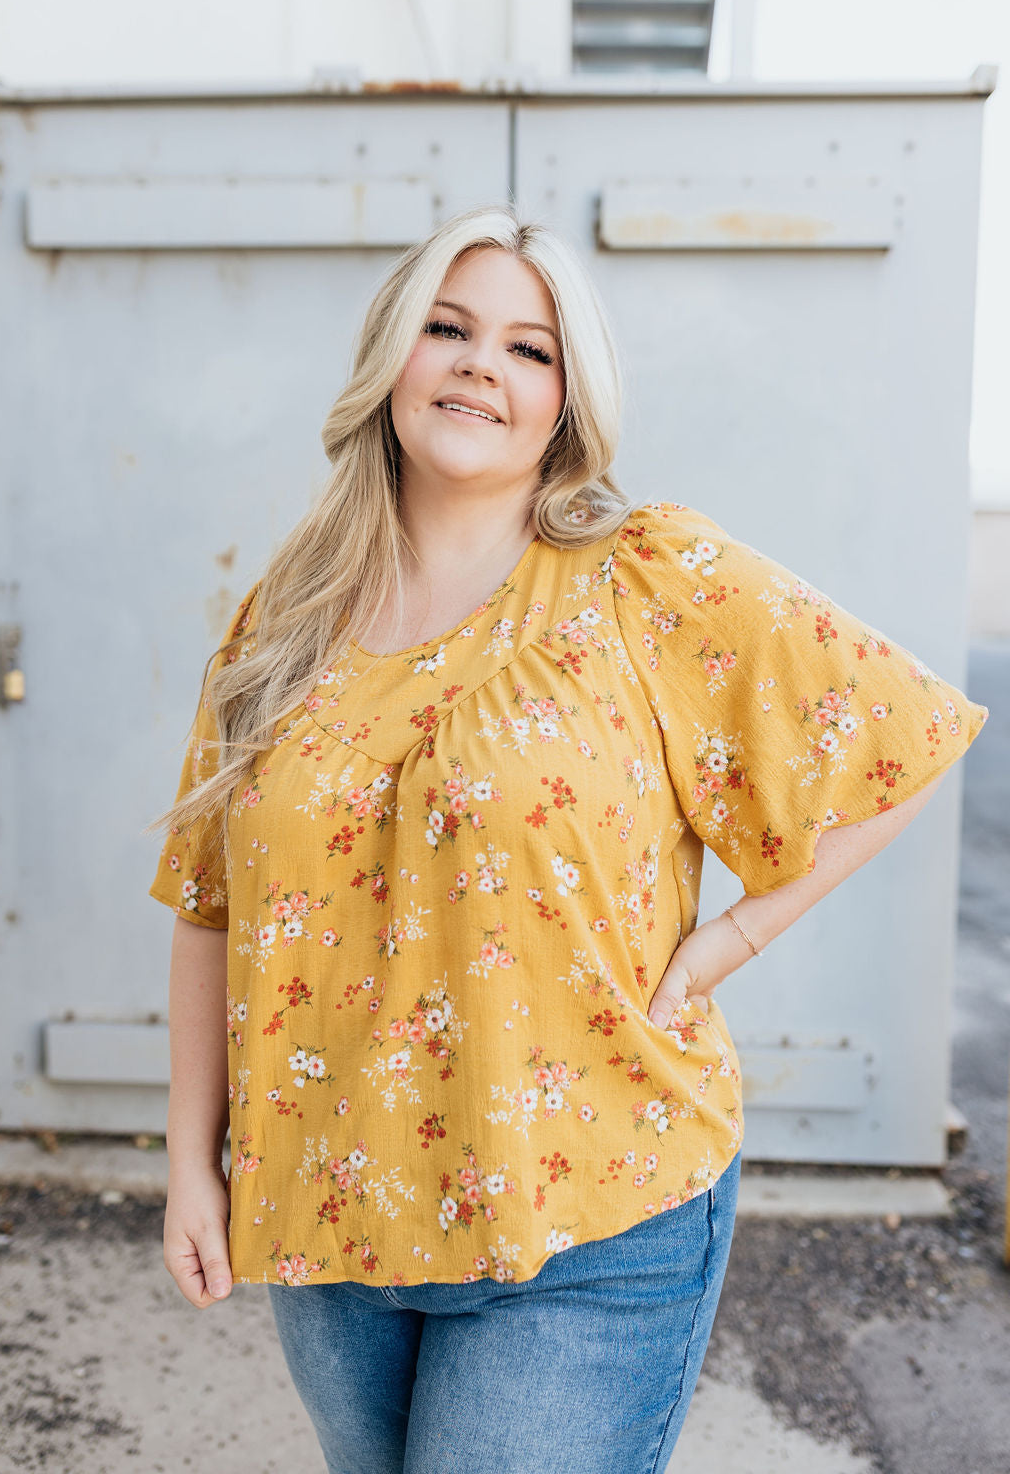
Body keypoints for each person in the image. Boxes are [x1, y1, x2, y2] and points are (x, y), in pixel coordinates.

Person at [147, 202, 989, 1473]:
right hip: (326, 1217)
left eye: (529, 349)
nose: (482, 364)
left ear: (565, 404)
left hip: (587, 1217)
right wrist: (190, 1167)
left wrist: (729, 943)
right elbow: (211, 903)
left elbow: (899, 729)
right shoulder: (287, 618)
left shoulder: (647, 581)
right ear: (393, 362)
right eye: (449, 328)